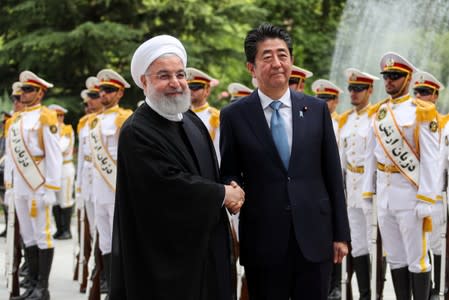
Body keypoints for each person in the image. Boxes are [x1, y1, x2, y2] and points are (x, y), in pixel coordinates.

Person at [220, 23, 350, 300]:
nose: (277, 63)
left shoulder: (316, 110)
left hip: (315, 236)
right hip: (263, 239)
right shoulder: (234, 115)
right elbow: (230, 170)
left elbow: (332, 175)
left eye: (283, 55)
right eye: (267, 57)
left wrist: (341, 233)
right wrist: (233, 189)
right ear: (251, 68)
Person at [110, 34, 244, 300]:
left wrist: (228, 187)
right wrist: (222, 195)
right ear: (144, 82)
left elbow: (208, 174)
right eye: (164, 76)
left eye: (180, 75)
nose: (175, 83)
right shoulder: (136, 130)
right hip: (164, 262)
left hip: (207, 252)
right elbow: (167, 187)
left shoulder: (192, 121)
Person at [362, 52, 439, 299]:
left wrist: (426, 198)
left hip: (410, 195)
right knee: (395, 259)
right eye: (387, 76)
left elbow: (431, 158)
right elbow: (370, 156)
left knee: (417, 260)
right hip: (385, 196)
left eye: (395, 76)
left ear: (408, 79)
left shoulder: (422, 111)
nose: (389, 81)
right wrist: (367, 193)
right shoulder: (379, 112)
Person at [5, 70, 63, 300]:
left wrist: (51, 188)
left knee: (42, 235)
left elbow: (54, 155)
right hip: (20, 184)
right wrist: (9, 186)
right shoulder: (16, 119)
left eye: (28, 89)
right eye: (22, 89)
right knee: (27, 237)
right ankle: (31, 286)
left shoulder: (46, 117)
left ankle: (43, 288)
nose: (23, 93)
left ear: (40, 93)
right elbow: (11, 155)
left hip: (37, 183)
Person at [338, 68, 380, 299]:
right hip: (351, 189)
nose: (353, 93)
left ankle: (378, 291)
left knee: (377, 244)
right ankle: (364, 294)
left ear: (370, 90)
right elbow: (340, 160)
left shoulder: (377, 116)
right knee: (359, 243)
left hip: (371, 188)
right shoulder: (346, 120)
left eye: (359, 89)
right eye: (351, 89)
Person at [90, 68, 132, 297]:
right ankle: (107, 282)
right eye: (101, 90)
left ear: (119, 94)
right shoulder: (94, 121)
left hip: (116, 186)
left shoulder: (123, 118)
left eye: (109, 90)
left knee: (119, 238)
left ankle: (119, 285)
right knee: (105, 239)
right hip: (98, 188)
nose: (104, 94)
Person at [413, 70, 446, 299]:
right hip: (414, 194)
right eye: (417, 91)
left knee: (437, 243)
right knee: (419, 244)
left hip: (437, 195)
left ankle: (440, 286)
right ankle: (430, 287)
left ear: (434, 96)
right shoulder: (409, 122)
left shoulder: (443, 124)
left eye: (425, 92)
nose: (420, 96)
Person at [48, 104, 75, 240]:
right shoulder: (51, 130)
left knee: (65, 199)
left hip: (65, 167)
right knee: (56, 201)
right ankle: (59, 229)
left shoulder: (66, 130)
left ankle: (66, 230)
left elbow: (60, 148)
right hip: (54, 168)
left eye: (57, 115)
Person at [186, 67, 221, 160]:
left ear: (207, 90)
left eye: (195, 87)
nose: (190, 91)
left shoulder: (216, 117)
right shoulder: (181, 116)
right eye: (188, 87)